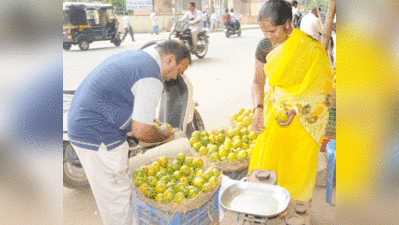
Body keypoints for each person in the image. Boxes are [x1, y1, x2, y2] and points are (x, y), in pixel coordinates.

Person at [67, 40, 191, 225]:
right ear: (170, 60)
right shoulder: (151, 76)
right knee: (115, 197)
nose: (175, 77)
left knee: (117, 188)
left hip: (85, 122)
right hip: (97, 134)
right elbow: (141, 131)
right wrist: (163, 134)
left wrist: (147, 120)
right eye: (179, 70)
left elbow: (120, 95)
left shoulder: (139, 57)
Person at [249, 0, 333, 215]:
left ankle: (297, 211)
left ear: (287, 24)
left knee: (296, 173)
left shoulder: (311, 48)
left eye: (272, 30)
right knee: (267, 167)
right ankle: (267, 210)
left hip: (302, 124)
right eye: (264, 31)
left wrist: (297, 108)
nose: (268, 36)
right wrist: (258, 108)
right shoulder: (264, 46)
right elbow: (258, 82)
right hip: (274, 118)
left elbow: (323, 92)